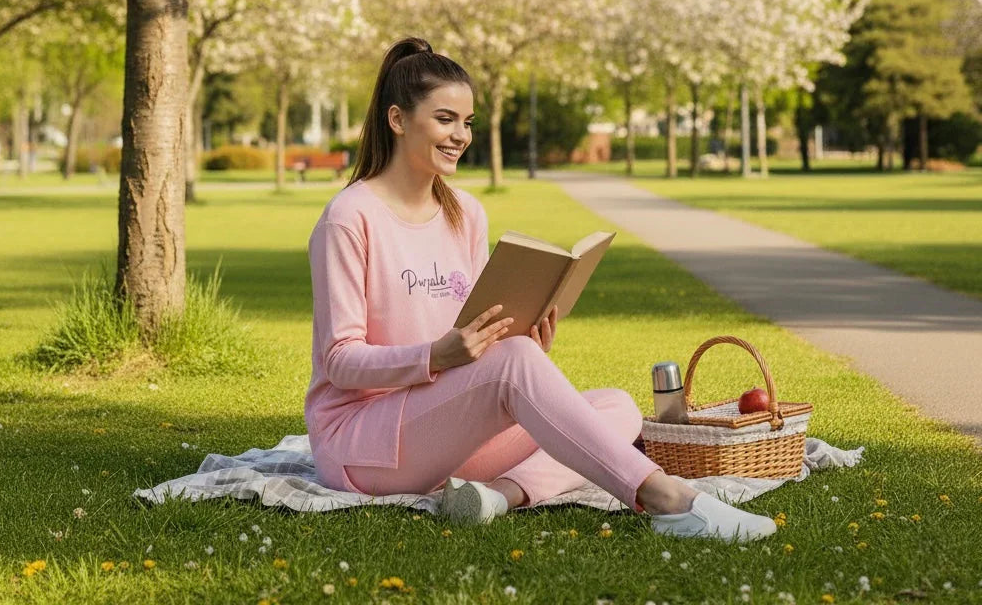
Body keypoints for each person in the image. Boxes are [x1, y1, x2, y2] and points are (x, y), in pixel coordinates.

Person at [304, 37, 776, 540]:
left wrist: (521, 337)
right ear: (397, 120)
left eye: (467, 122)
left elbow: (472, 330)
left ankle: (496, 496)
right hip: (363, 443)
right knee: (517, 369)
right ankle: (666, 497)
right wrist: (438, 356)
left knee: (613, 407)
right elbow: (340, 359)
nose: (460, 135)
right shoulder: (349, 218)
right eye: (445, 119)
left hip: (442, 426)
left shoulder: (465, 213)